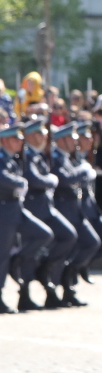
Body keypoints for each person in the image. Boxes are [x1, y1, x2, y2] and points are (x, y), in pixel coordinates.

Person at [18, 119, 75, 311]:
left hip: (47, 208)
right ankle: (25, 290)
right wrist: (51, 180)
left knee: (68, 236)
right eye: (39, 133)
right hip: (34, 209)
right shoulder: (27, 155)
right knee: (32, 251)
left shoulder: (40, 155)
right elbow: (34, 179)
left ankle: (46, 271)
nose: (44, 137)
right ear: (31, 136)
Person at [50, 122, 102, 306]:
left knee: (91, 242)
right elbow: (66, 179)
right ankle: (58, 286)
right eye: (71, 138)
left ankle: (69, 278)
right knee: (67, 248)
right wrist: (84, 171)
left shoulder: (67, 157)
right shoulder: (56, 157)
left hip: (75, 209)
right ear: (62, 140)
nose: (76, 141)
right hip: (63, 208)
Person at [0, 120, 31, 313]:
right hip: (4, 210)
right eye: (15, 139)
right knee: (2, 255)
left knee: (43, 234)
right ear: (4, 140)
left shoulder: (11, 157)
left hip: (14, 209)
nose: (20, 142)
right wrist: (20, 182)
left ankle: (18, 264)